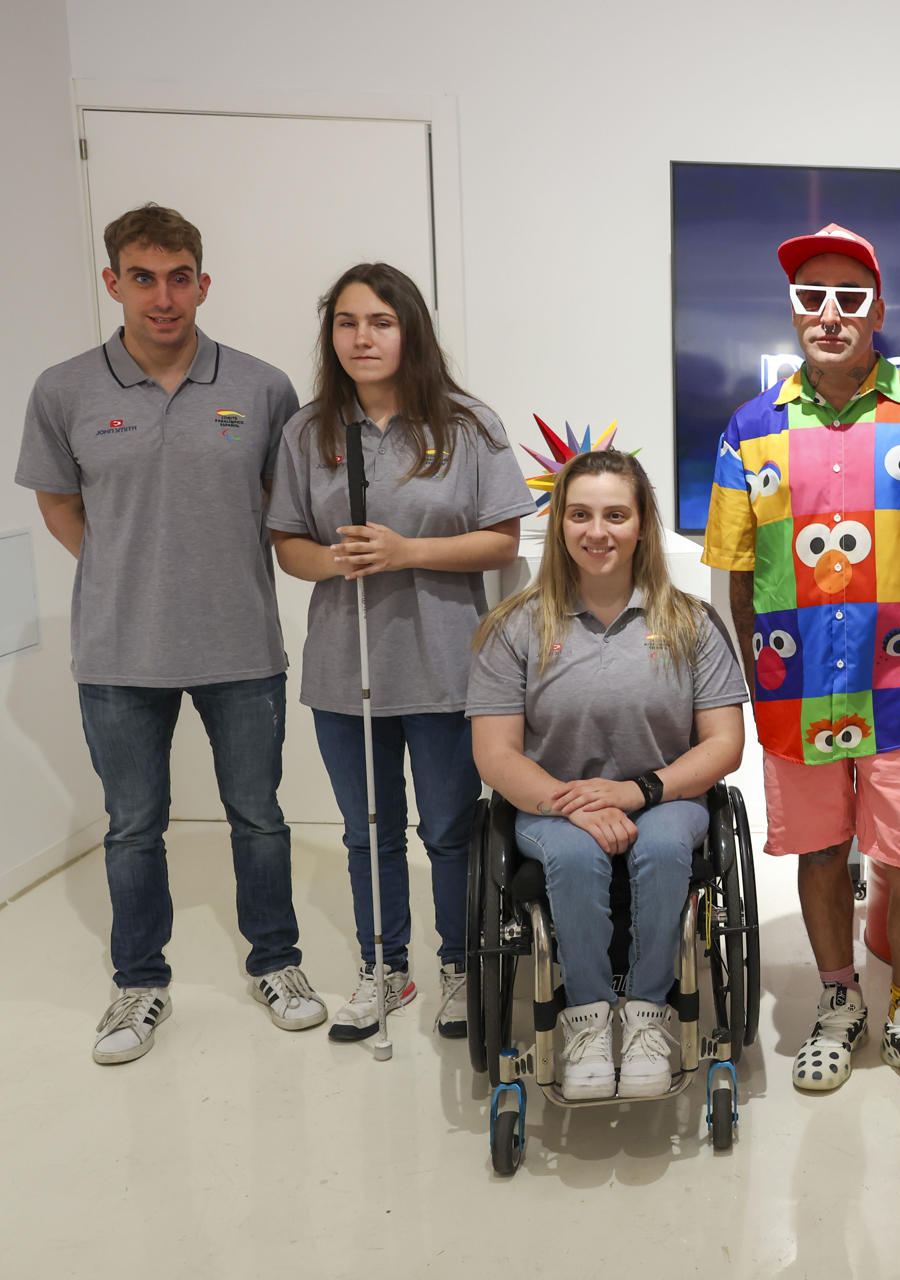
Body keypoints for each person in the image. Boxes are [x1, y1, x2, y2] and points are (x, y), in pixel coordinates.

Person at [701, 223, 900, 1110]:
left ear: (876, 308)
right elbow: (737, 568)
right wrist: (762, 678)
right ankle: (840, 999)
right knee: (821, 851)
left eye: (848, 298)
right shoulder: (749, 428)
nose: (829, 316)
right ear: (794, 311)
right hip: (799, 690)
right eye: (811, 298)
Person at [14, 203, 326, 1063]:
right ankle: (139, 986)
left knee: (259, 817)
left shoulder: (261, 387)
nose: (163, 297)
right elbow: (57, 502)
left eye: (179, 277)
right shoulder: (63, 388)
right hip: (119, 653)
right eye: (143, 278)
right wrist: (125, 570)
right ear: (113, 282)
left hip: (241, 646)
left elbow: (283, 505)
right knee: (132, 825)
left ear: (203, 282)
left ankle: (277, 962)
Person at [267, 263, 535, 1042]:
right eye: (348, 323)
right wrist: (332, 561)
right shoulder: (307, 430)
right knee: (366, 830)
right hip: (344, 668)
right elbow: (288, 542)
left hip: (446, 663)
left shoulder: (467, 424)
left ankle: (457, 965)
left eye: (380, 322)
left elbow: (501, 539)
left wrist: (405, 550)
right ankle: (384, 969)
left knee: (450, 829)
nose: (363, 338)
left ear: (409, 328)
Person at [470, 450, 747, 1098]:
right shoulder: (513, 628)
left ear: (643, 524)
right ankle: (587, 1017)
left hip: (663, 795)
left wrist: (637, 791)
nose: (598, 532)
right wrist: (573, 806)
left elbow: (725, 745)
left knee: (666, 842)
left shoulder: (692, 624)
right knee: (574, 856)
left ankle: (650, 1013)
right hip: (552, 803)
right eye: (582, 515)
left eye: (616, 515)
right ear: (559, 523)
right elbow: (496, 754)